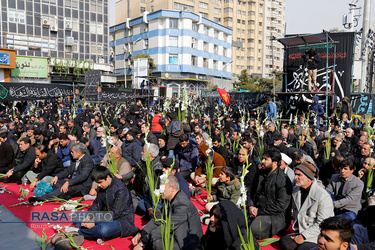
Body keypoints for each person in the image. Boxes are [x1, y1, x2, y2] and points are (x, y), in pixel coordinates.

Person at [132, 176, 203, 250]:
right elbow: (159, 218)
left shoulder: (182, 204)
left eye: (163, 188)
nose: (160, 190)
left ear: (172, 188)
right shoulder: (170, 199)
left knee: (155, 243)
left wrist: (143, 243)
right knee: (151, 237)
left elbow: (167, 227)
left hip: (187, 243)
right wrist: (141, 234)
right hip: (176, 233)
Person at [279, 161, 334, 250]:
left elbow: (323, 223)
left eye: (299, 175)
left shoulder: (323, 196)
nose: (295, 177)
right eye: (295, 174)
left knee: (303, 248)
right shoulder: (296, 190)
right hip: (301, 230)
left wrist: (304, 236)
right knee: (284, 241)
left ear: (309, 178)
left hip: (317, 233)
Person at [76, 166, 139, 241]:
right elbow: (96, 204)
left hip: (121, 221)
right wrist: (88, 217)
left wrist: (94, 222)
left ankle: (79, 232)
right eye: (97, 183)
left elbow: (115, 213)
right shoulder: (102, 187)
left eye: (100, 182)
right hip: (104, 216)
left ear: (108, 177)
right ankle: (91, 231)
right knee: (77, 216)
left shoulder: (121, 189)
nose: (98, 185)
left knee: (103, 230)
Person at [247, 149, 292, 239]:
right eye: (263, 158)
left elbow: (280, 206)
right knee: (236, 219)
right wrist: (251, 206)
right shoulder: (260, 173)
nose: (262, 161)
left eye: (266, 159)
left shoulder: (283, 179)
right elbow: (251, 191)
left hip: (274, 214)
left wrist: (259, 211)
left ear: (275, 163)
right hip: (256, 208)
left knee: (254, 230)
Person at [29, 143, 94, 202]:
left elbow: (82, 176)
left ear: (78, 153)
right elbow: (68, 171)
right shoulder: (75, 158)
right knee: (55, 182)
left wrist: (68, 182)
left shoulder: (88, 161)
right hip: (73, 182)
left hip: (82, 185)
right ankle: (64, 195)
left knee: (65, 188)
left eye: (72, 152)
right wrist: (57, 176)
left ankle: (42, 198)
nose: (71, 153)